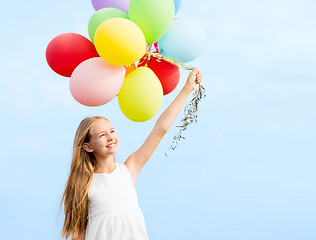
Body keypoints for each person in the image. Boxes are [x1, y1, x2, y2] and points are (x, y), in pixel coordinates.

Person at [60, 68, 203, 240]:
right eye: (102, 135)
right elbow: (78, 235)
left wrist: (187, 88)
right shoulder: (84, 183)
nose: (111, 137)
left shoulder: (129, 169)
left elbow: (161, 128)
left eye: (111, 131)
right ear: (88, 147)